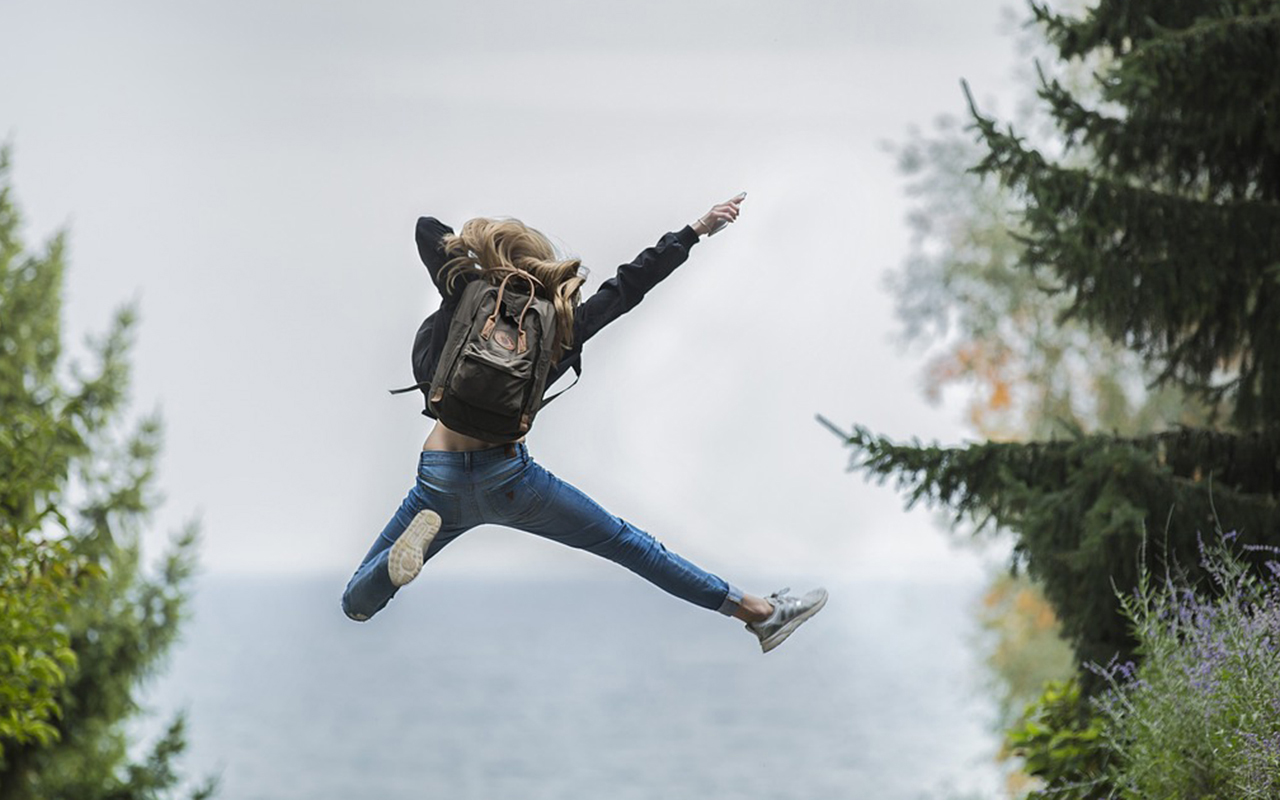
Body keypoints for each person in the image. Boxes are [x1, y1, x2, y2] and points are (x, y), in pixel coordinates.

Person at [340, 194, 827, 653]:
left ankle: (393, 567)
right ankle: (759, 613)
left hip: (439, 478)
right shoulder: (560, 324)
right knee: (630, 546)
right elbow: (628, 287)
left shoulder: (465, 293)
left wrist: (482, 259)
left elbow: (428, 230)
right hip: (510, 480)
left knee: (356, 604)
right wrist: (695, 230)